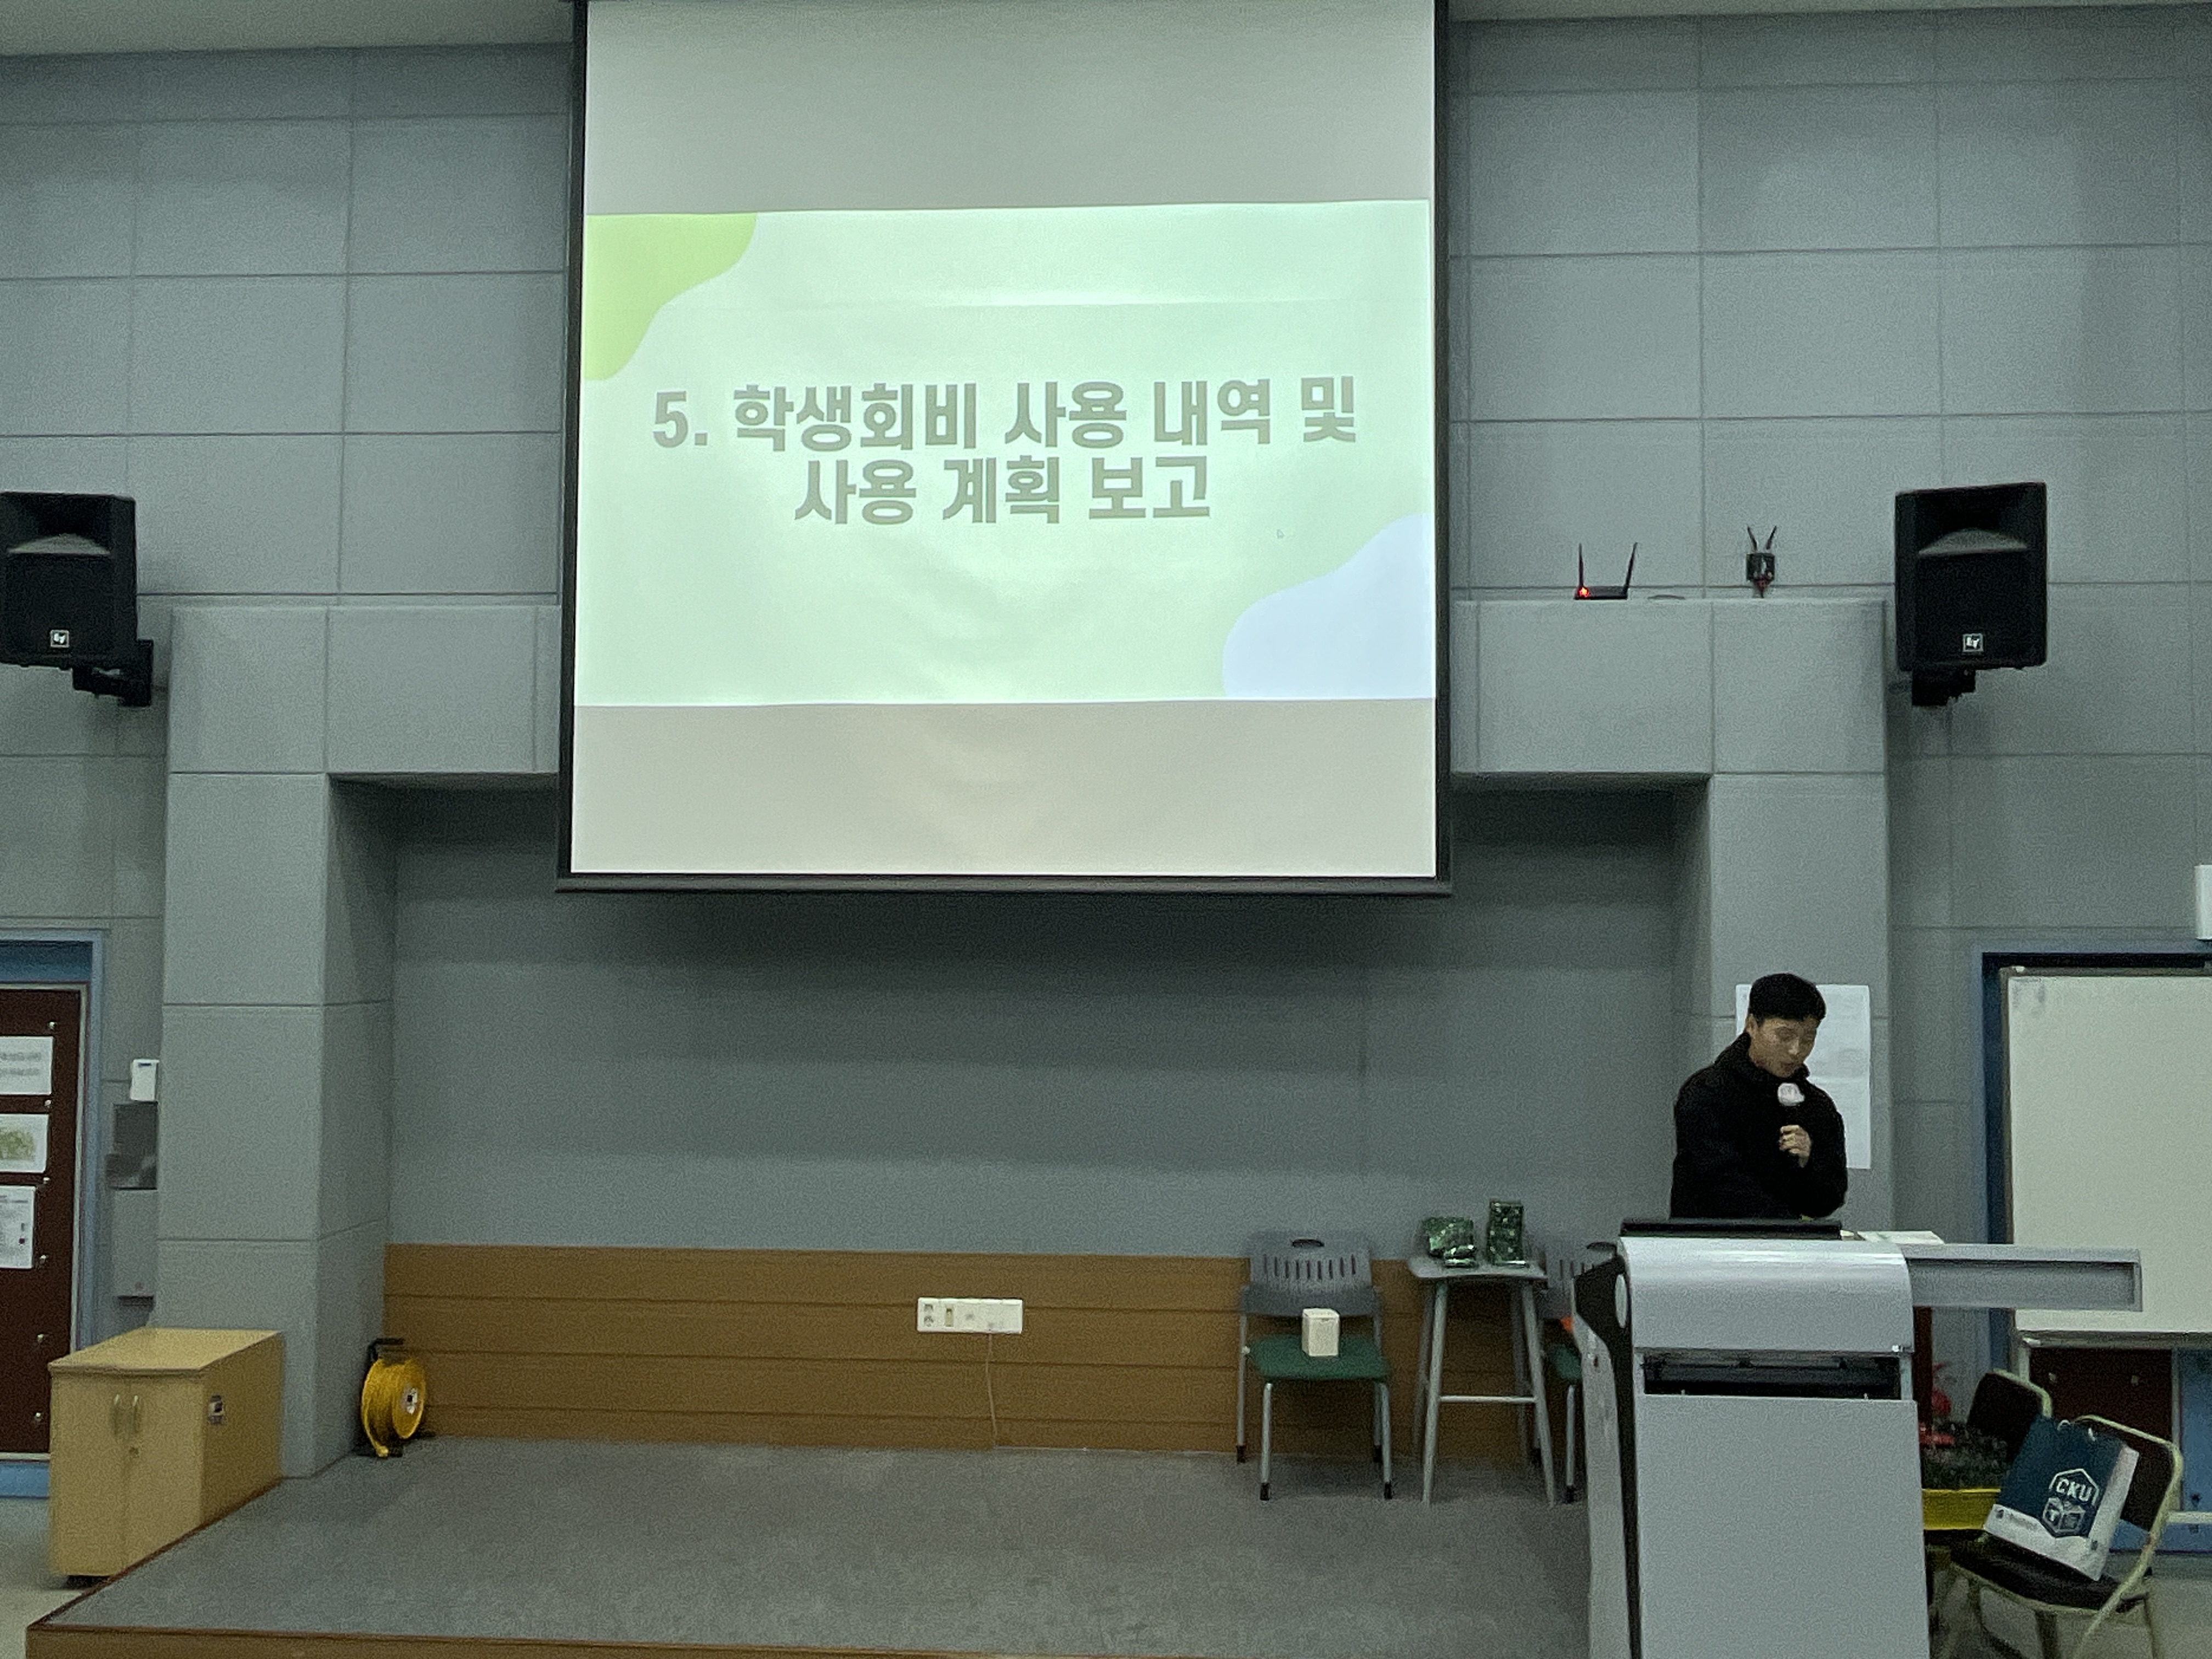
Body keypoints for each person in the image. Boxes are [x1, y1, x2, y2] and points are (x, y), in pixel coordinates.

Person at [1668, 972, 1847, 1220]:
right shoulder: (1707, 1093)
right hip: (1711, 1238)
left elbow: (1829, 1199)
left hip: (1790, 1239)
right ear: (1752, 1025)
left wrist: (1810, 1160)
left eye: (1808, 1038)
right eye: (1784, 1036)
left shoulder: (1817, 1106)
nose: (1796, 1050)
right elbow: (1720, 1183)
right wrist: (1787, 1226)